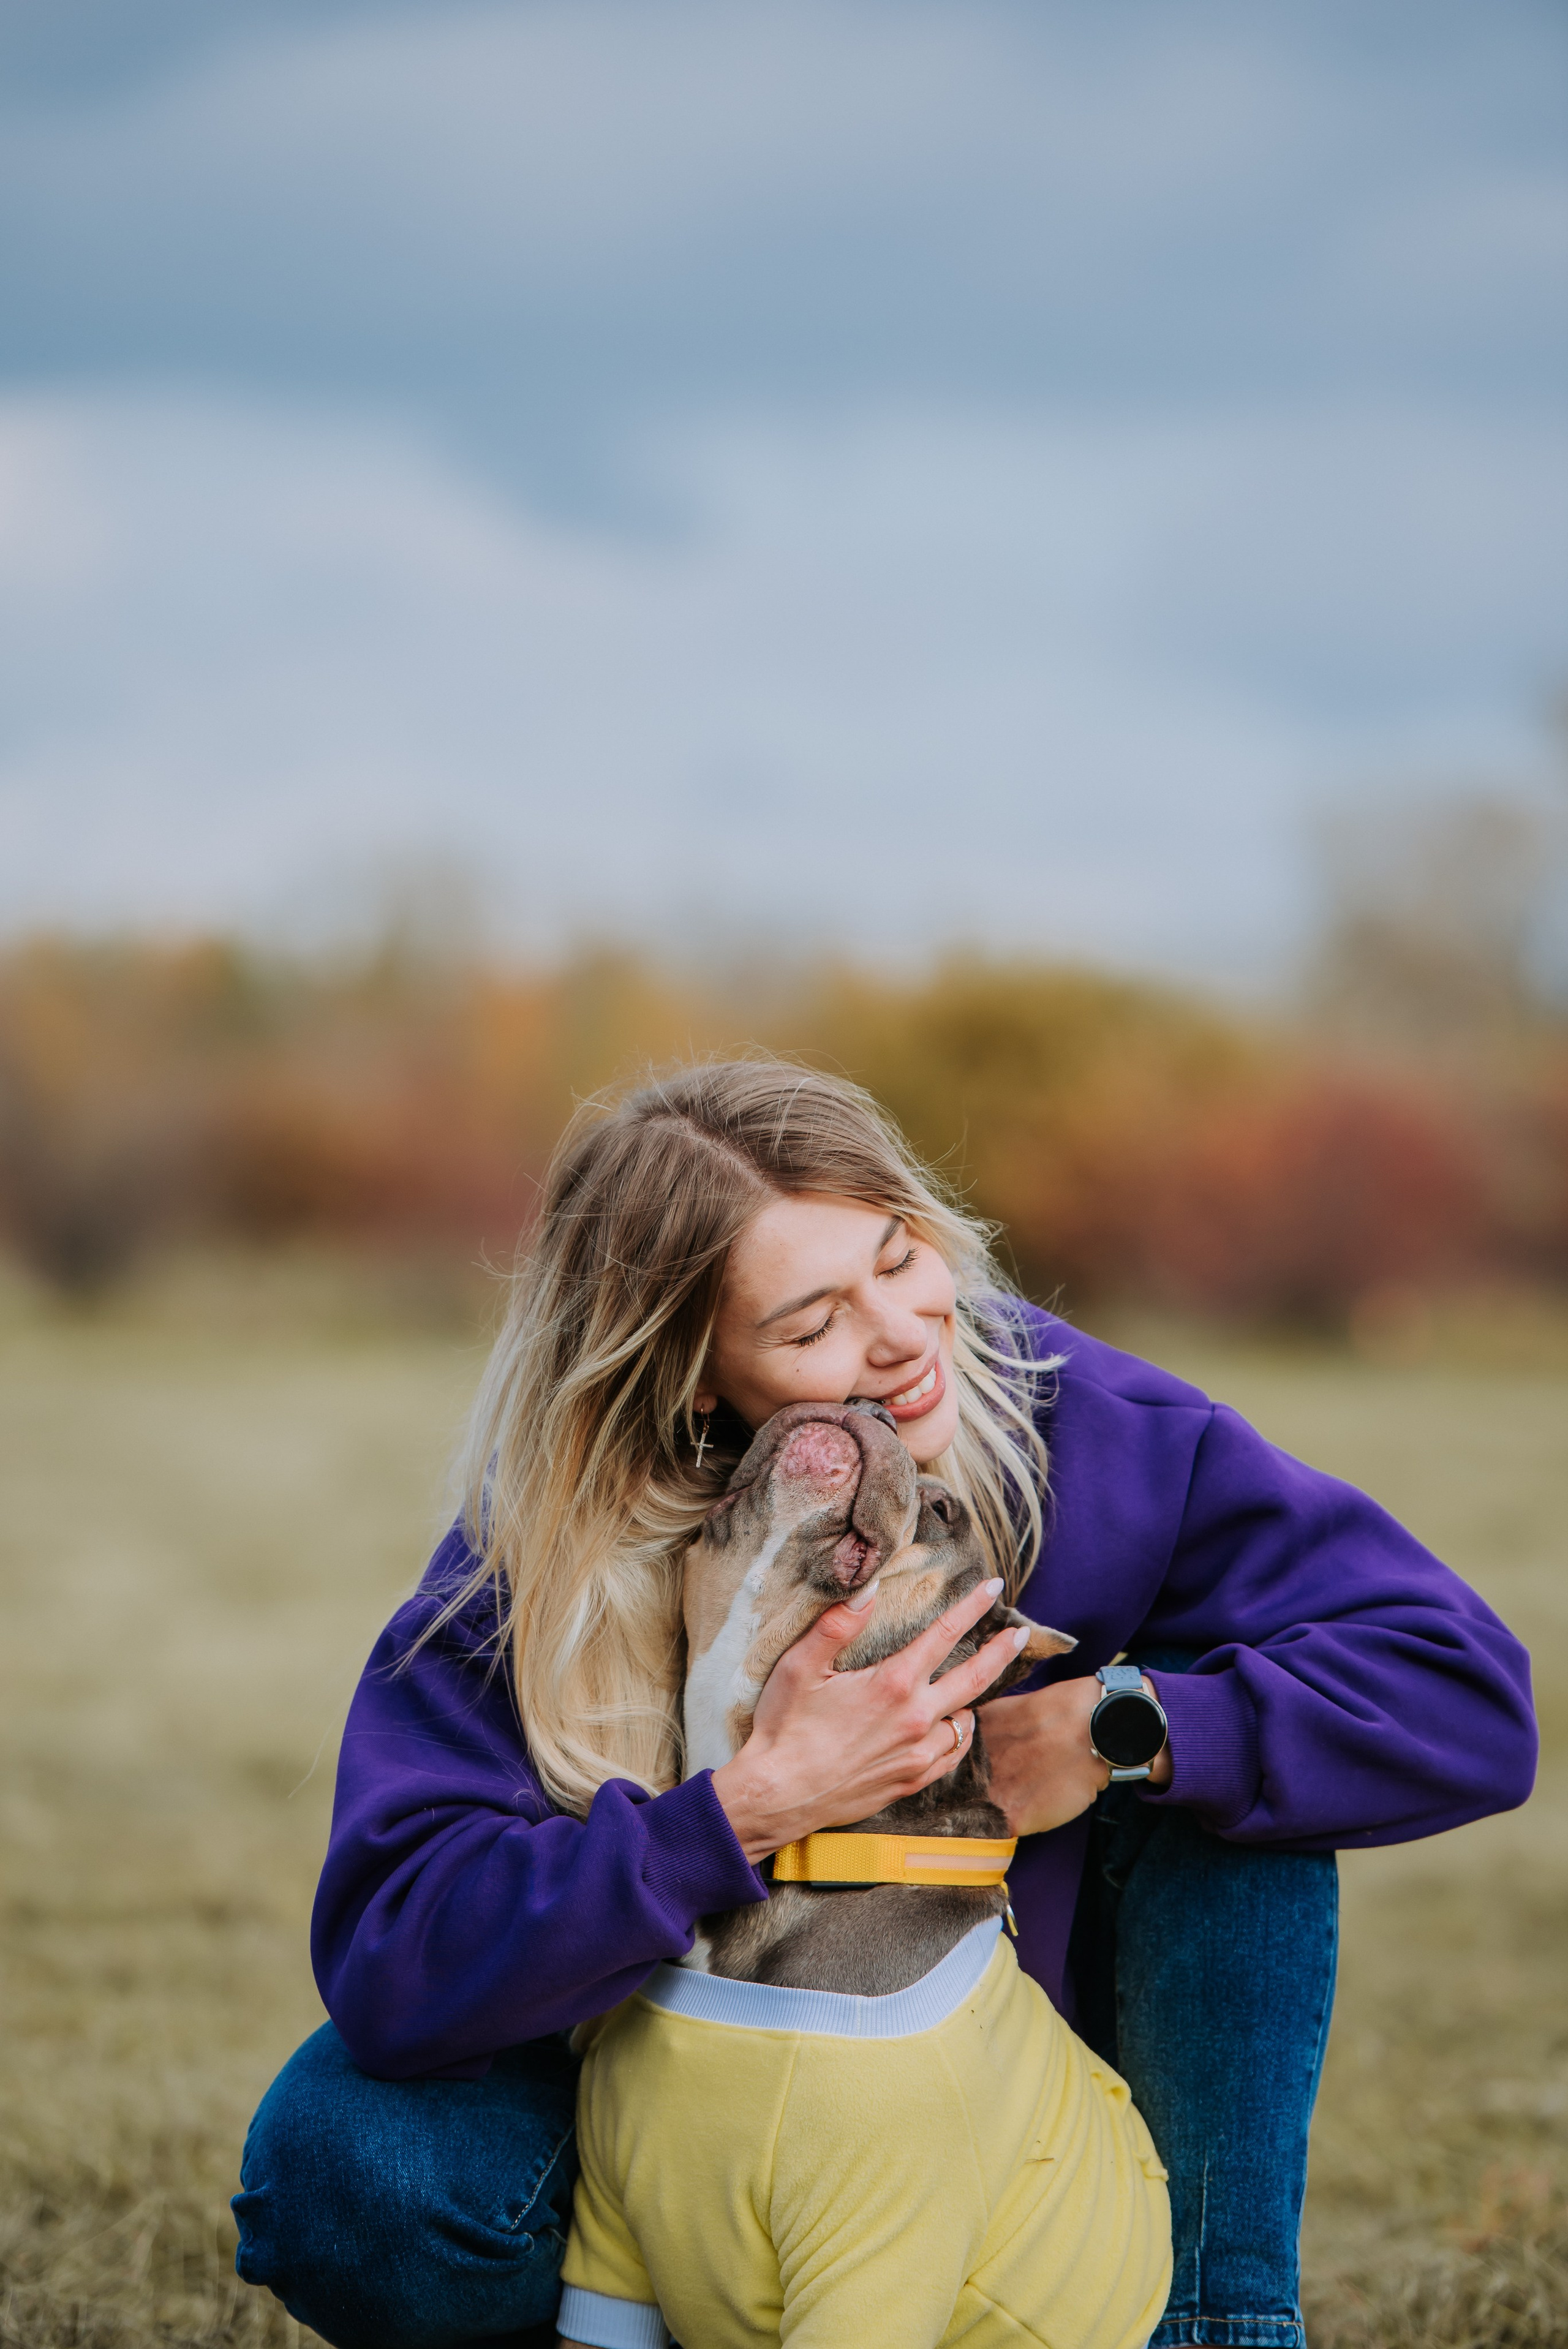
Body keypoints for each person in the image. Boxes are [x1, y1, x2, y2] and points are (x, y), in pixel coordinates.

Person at [232, 1060, 1536, 2349]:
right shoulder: (545, 1547)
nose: (906, 1331)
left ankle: (1204, 2323)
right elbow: (393, 1959)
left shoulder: (1090, 1428)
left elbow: (1464, 1689)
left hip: (989, 2145)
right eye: (810, 1325)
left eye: (900, 1254)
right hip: (647, 2125)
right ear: (692, 1374)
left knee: (1236, 1772)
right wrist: (744, 1807)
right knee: (346, 2171)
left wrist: (1108, 1726)